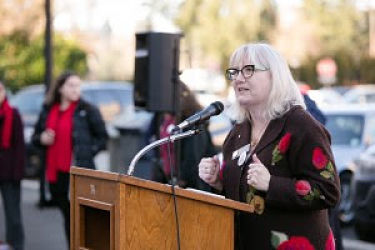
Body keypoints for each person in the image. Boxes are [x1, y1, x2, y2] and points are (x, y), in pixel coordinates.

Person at [198, 43, 340, 249]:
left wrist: (271, 184)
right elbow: (241, 198)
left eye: (248, 70)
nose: (238, 78)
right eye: (234, 72)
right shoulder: (238, 131)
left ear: (275, 76)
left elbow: (328, 191)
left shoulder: (301, 126)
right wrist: (219, 182)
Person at [31, 72, 108, 243]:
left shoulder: (87, 110)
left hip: (78, 172)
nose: (76, 89)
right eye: (71, 85)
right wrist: (42, 138)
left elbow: (103, 138)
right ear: (60, 88)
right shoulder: (48, 110)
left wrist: (86, 152)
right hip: (55, 174)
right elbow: (35, 138)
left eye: (78, 85)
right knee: (68, 217)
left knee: (80, 218)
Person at [150, 82, 217, 191]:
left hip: (190, 186)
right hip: (167, 181)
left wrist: (182, 181)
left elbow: (194, 156)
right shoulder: (163, 118)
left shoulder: (192, 121)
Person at [0, 81, 25, 250]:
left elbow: (20, 146)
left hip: (9, 173)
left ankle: (16, 245)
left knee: (13, 214)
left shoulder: (13, 114)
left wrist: (18, 174)